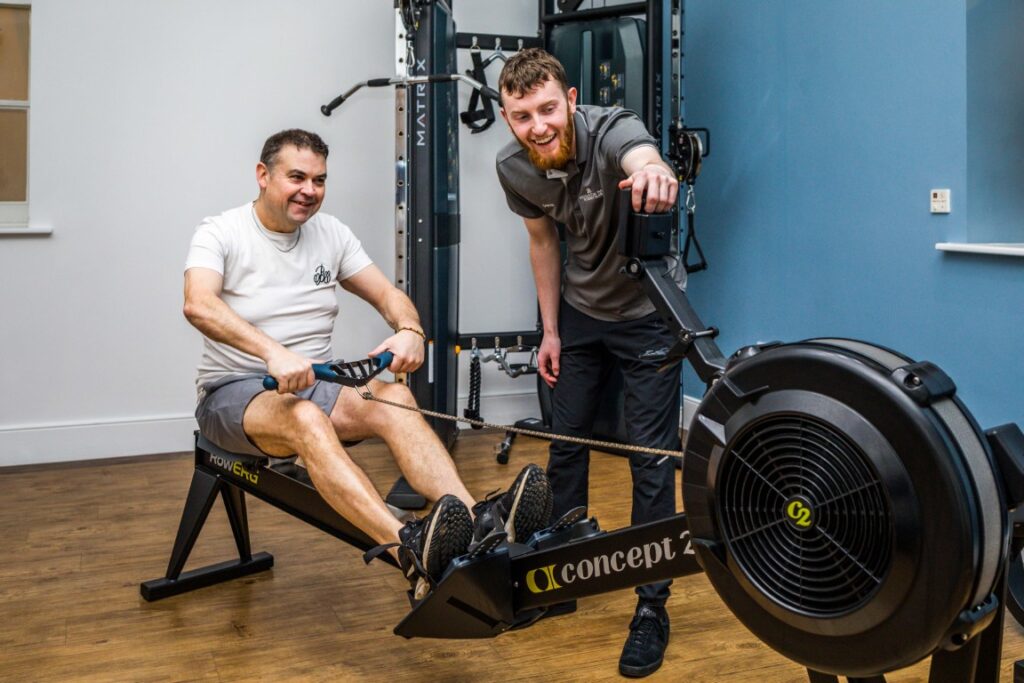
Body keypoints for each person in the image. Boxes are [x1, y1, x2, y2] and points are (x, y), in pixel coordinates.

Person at [183, 128, 551, 603]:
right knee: (304, 418)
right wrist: (272, 351)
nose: (309, 190)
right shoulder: (221, 231)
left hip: (314, 381)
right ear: (263, 175)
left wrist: (410, 329)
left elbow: (389, 296)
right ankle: (409, 551)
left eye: (319, 180)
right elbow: (198, 304)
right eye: (297, 177)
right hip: (234, 391)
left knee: (394, 396)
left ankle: (481, 526)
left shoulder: (331, 233)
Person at [495, 49, 682, 677]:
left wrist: (655, 172)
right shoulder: (513, 167)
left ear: (571, 99)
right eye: (523, 116)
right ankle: (560, 577)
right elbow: (542, 242)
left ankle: (651, 606)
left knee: (650, 460)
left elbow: (643, 156)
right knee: (566, 447)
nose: (539, 126)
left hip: (647, 312)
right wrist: (549, 331)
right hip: (579, 314)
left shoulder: (610, 131)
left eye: (548, 109)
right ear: (507, 117)